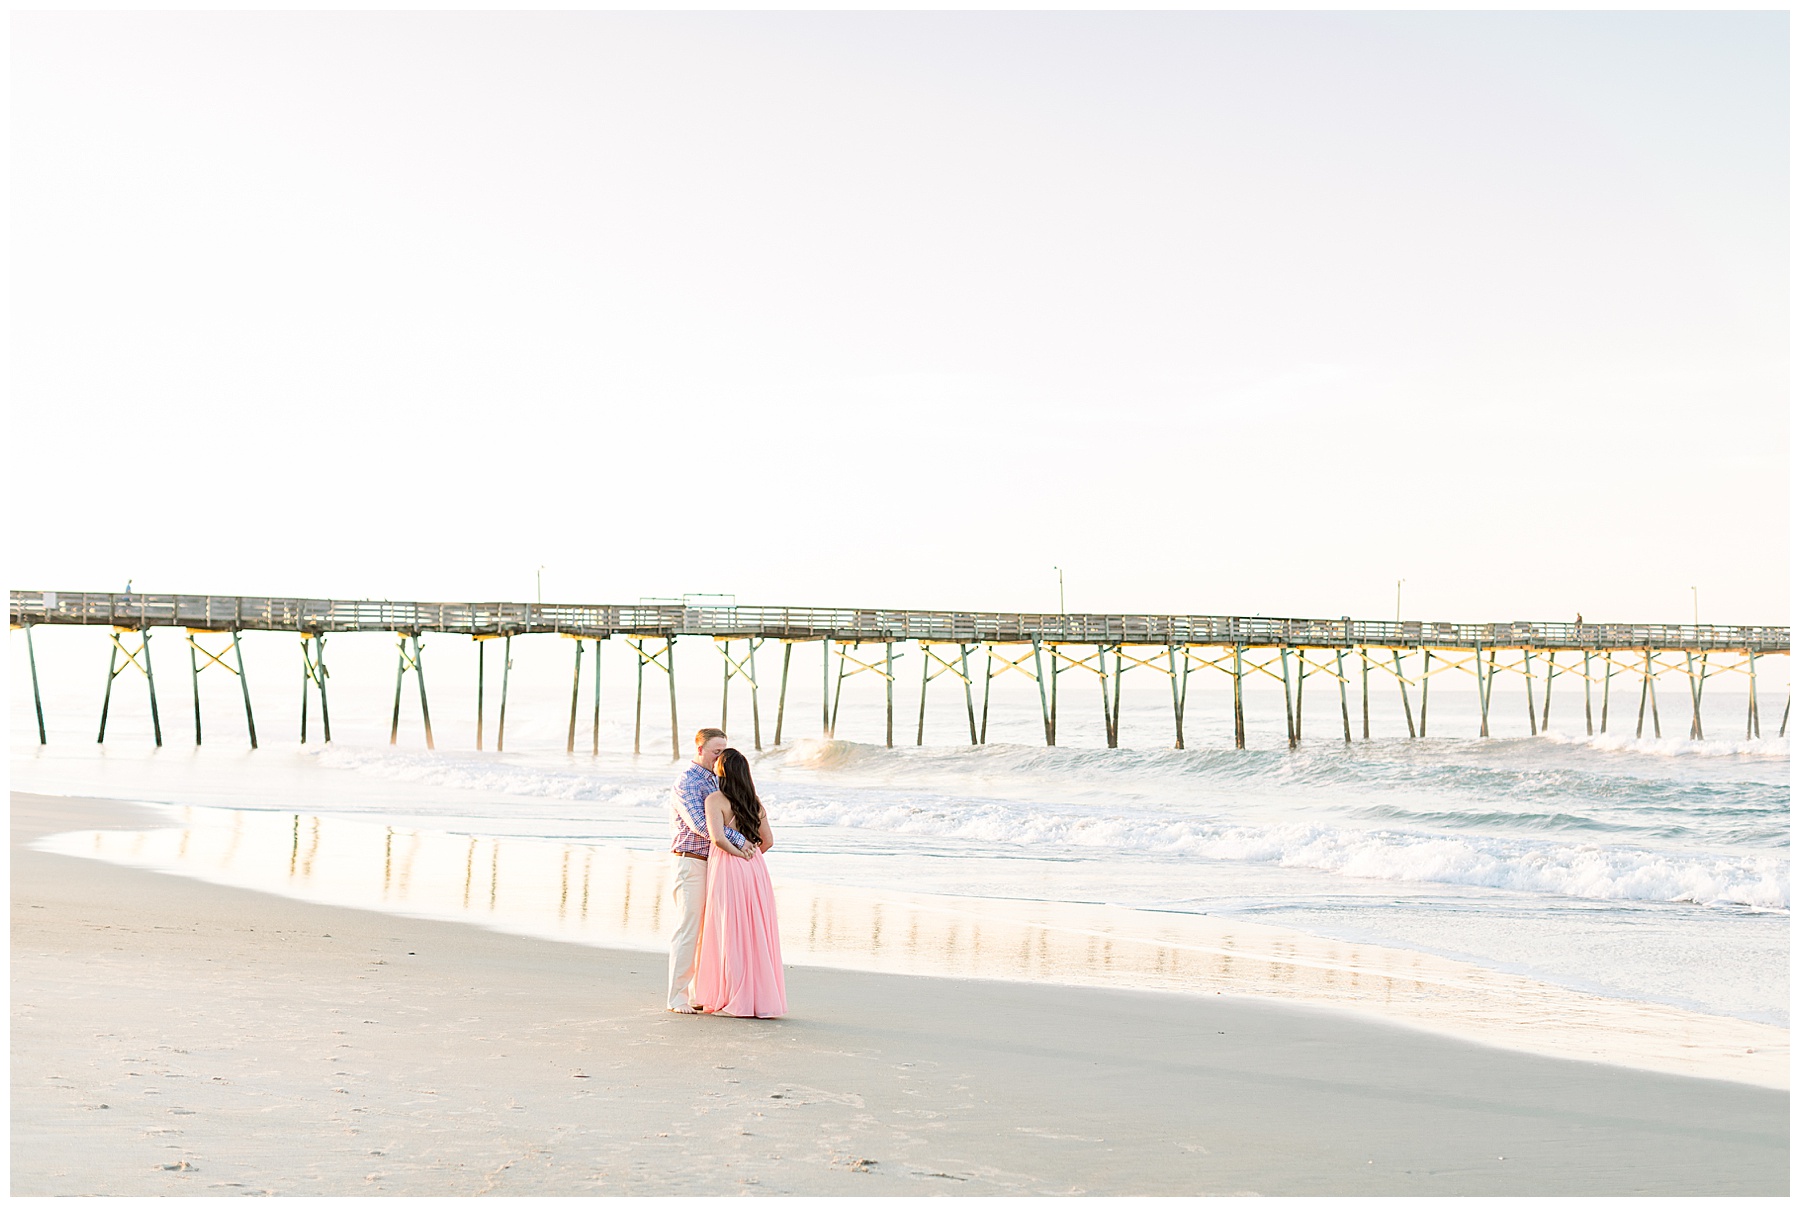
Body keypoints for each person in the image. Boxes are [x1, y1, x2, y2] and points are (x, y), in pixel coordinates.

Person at [692, 748, 786, 1018]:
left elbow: (718, 838)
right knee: (755, 933)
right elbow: (767, 841)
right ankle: (756, 998)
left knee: (729, 932)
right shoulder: (754, 802)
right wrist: (750, 856)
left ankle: (733, 997)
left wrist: (736, 855)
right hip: (755, 869)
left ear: (722, 772)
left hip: (728, 867)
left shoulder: (715, 799)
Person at [668, 727, 730, 1014]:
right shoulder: (689, 781)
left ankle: (700, 993)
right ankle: (676, 996)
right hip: (691, 860)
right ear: (700, 749)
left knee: (709, 932)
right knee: (688, 929)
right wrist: (744, 843)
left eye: (723, 751)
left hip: (716, 863)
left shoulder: (719, 781)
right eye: (716, 751)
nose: (720, 756)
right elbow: (702, 826)